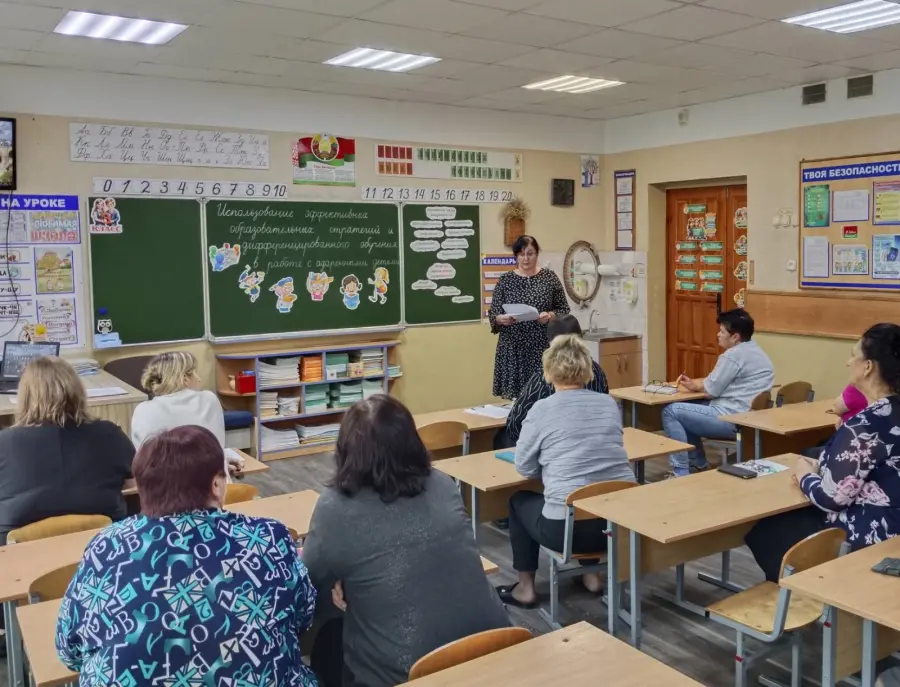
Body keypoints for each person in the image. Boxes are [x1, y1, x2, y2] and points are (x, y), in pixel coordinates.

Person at [56, 426, 318, 686]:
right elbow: (304, 614)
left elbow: (69, 650)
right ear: (217, 484)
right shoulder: (268, 538)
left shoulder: (105, 547)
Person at [302, 394, 510, 687]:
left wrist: (347, 586)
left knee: (326, 642)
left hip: (407, 674)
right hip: (493, 651)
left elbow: (306, 585)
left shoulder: (335, 507)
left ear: (346, 450)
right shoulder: (442, 485)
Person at [745, 323, 900, 582]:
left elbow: (832, 498)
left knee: (769, 528)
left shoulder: (865, 426)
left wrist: (804, 474)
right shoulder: (887, 413)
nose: (848, 362)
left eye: (853, 355)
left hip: (872, 534)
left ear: (868, 367)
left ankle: (802, 592)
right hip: (893, 524)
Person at [496, 334, 635, 608]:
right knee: (593, 492)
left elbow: (524, 467)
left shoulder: (541, 409)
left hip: (566, 531)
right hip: (618, 523)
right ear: (588, 370)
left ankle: (525, 589)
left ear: (548, 371)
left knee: (517, 501)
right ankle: (592, 575)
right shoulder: (608, 404)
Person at [0, 356, 133, 545]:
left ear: (25, 397)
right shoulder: (110, 434)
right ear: (78, 391)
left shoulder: (5, 443)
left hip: (18, 553)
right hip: (103, 548)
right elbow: (135, 483)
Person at [662, 309, 774, 477]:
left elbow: (711, 391)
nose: (718, 335)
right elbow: (716, 383)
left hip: (732, 419)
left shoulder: (733, 355)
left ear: (735, 337)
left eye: (722, 332)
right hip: (750, 419)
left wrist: (698, 387)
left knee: (671, 411)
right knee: (686, 409)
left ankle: (681, 471)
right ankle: (697, 464)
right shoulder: (756, 351)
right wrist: (697, 386)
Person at [495, 313, 608, 449]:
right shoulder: (597, 371)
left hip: (555, 447)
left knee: (501, 437)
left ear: (550, 343)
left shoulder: (545, 376)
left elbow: (515, 424)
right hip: (593, 444)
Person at [489, 235, 570, 400]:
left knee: (542, 395)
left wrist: (550, 315)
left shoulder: (549, 278)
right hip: (513, 347)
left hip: (540, 346)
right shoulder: (505, 280)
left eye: (530, 254)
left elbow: (564, 308)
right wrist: (500, 319)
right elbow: (494, 314)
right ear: (516, 256)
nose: (525, 258)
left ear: (537, 254)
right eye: (521, 254)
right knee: (516, 400)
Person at [131, 352, 237, 477]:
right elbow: (214, 447)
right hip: (208, 483)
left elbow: (144, 458)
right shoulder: (208, 400)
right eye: (195, 373)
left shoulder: (142, 410)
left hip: (161, 486)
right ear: (185, 378)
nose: (199, 379)